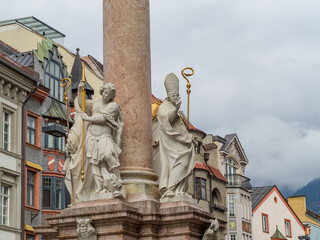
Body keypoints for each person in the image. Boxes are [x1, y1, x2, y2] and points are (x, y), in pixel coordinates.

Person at [78, 81, 124, 198]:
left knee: (108, 155)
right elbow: (82, 104)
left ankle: (118, 180)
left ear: (112, 96)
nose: (105, 95)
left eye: (108, 94)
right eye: (105, 92)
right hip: (91, 137)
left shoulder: (113, 106)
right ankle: (99, 187)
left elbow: (103, 118)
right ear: (102, 91)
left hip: (104, 136)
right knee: (95, 163)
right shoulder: (95, 102)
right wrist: (80, 91)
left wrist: (87, 118)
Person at [153, 73, 195, 198]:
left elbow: (180, 127)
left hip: (177, 140)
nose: (176, 97)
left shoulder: (173, 106)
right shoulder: (164, 107)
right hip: (170, 142)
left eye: (177, 95)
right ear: (168, 96)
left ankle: (179, 190)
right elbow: (166, 121)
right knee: (180, 161)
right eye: (173, 95)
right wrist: (175, 110)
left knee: (184, 161)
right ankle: (170, 188)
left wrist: (188, 136)